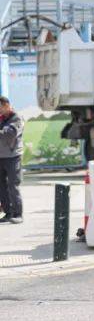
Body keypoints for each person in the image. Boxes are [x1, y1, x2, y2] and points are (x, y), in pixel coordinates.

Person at [0, 96, 24, 225]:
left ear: (6, 105)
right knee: (2, 187)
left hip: (13, 157)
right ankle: (8, 213)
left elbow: (10, 133)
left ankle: (18, 214)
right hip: (1, 157)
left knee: (13, 185)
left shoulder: (16, 118)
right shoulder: (2, 117)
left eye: (0, 107)